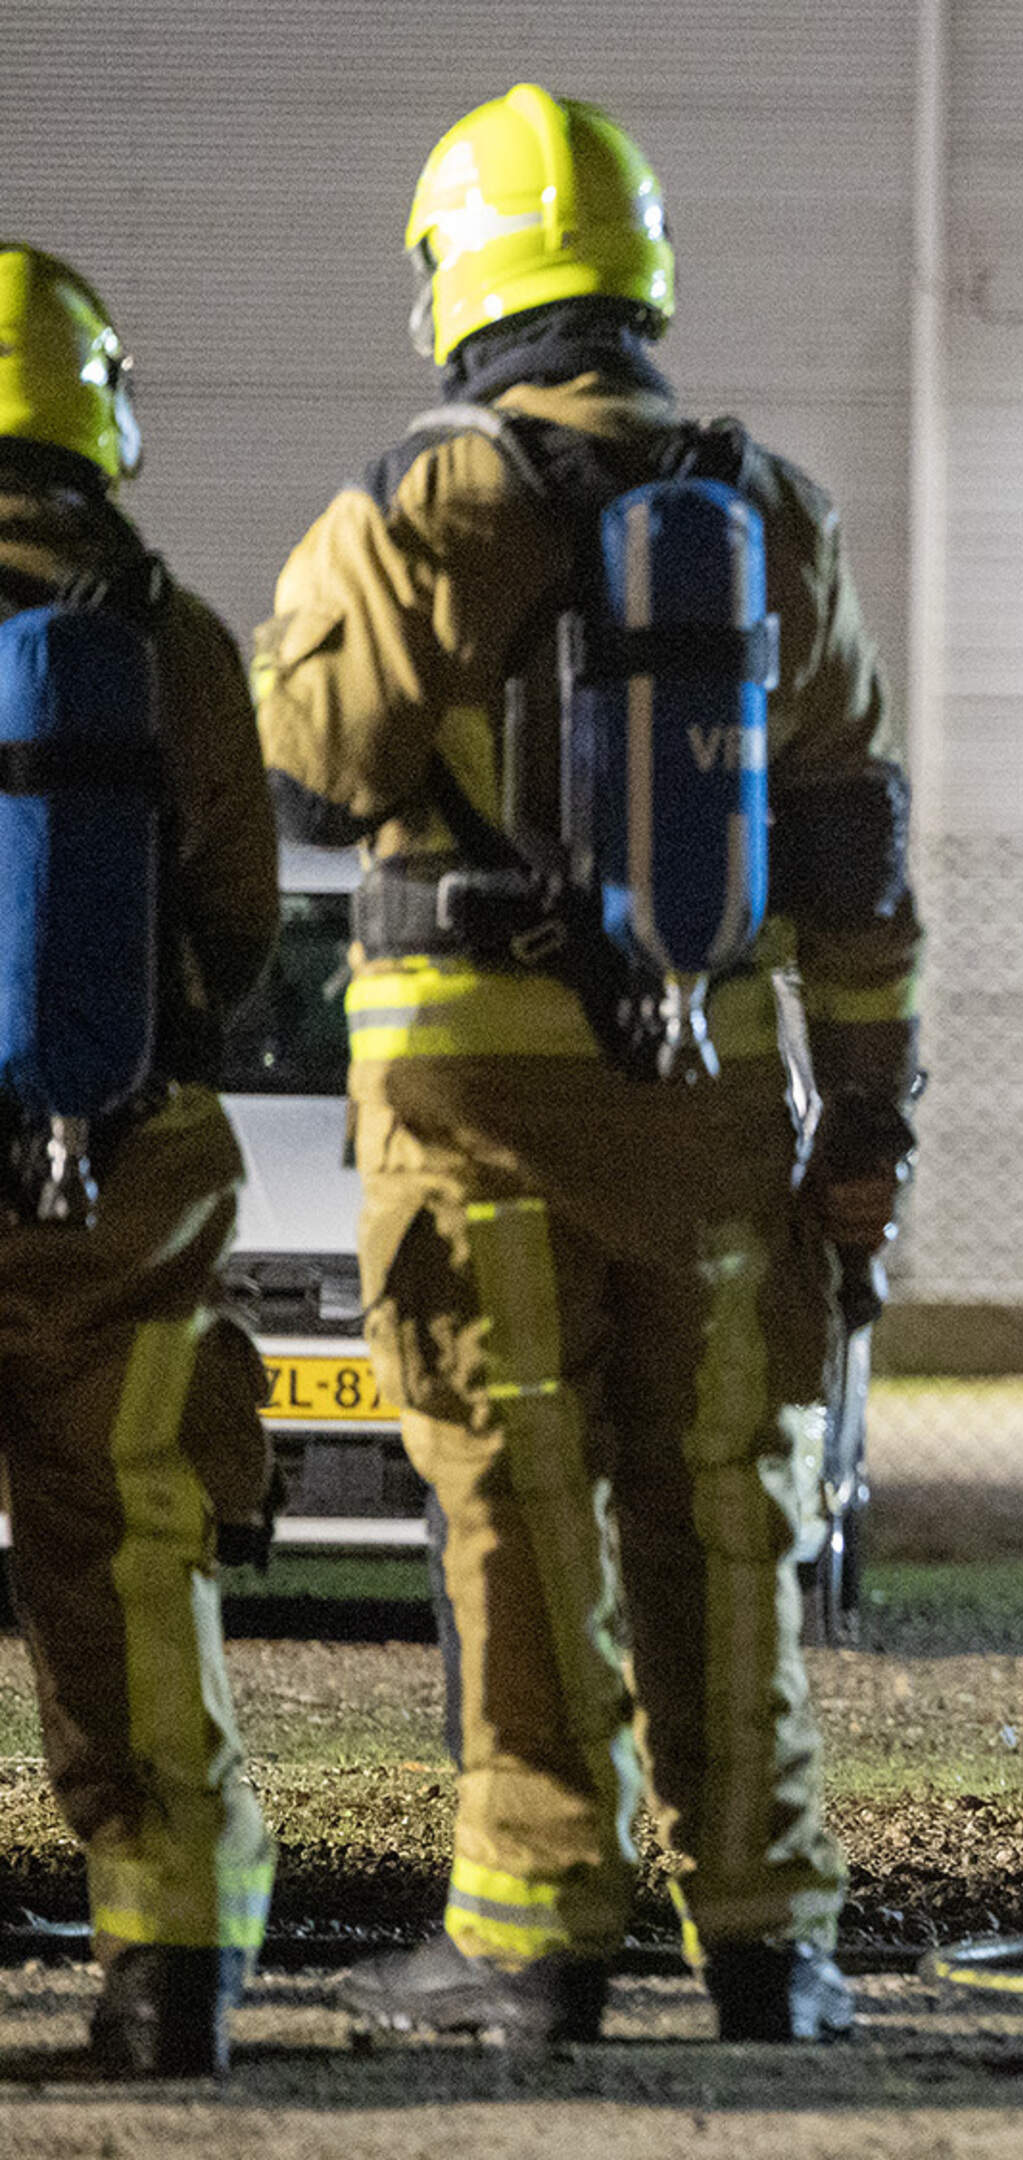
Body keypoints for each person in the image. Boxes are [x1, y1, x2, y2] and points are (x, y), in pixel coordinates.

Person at [251, 83, 922, 2046]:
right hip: (713, 1093)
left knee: (518, 1500)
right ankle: (773, 1940)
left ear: (459, 277)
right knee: (725, 1509)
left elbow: (315, 768)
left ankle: (532, 1938)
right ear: (637, 273)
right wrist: (869, 1116)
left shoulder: (417, 504)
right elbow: (858, 857)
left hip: (469, 1100)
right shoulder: (772, 515)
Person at [0, 242, 283, 2077]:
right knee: (127, 1553)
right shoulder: (168, 631)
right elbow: (244, 918)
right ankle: (167, 1965)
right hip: (115, 1159)